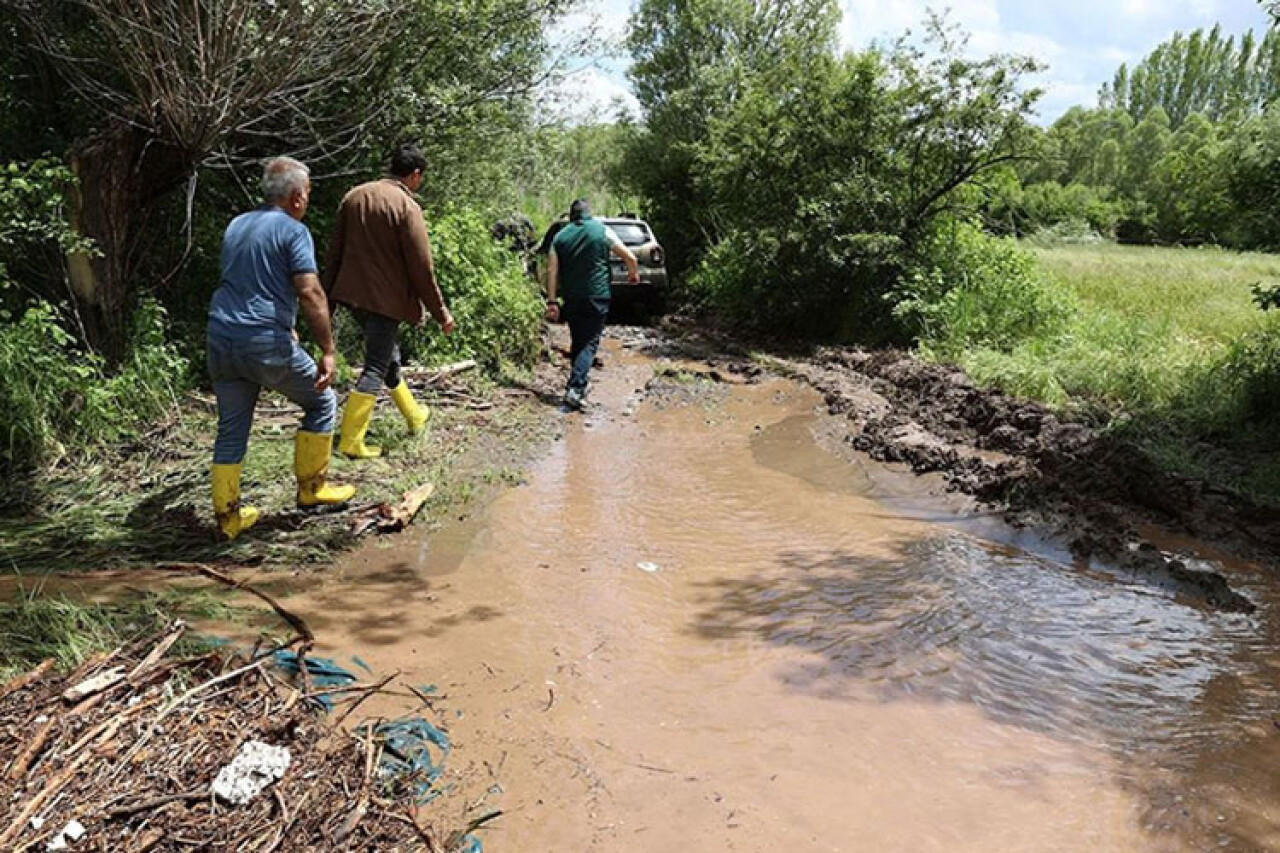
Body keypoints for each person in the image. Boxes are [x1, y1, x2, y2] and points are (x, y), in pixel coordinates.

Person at [206, 156, 354, 540]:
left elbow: (251, 281)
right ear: (294, 197)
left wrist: (285, 326)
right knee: (322, 401)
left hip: (220, 337)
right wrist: (328, 350)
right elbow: (309, 292)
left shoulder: (237, 225)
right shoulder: (293, 231)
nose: (306, 200)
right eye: (306, 193)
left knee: (232, 427)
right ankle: (312, 490)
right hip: (262, 342)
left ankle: (228, 518)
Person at [325, 144, 456, 459]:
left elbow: (335, 251)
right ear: (414, 175)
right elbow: (421, 268)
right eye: (420, 178)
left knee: (388, 357)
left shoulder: (354, 196)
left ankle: (414, 415)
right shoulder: (407, 207)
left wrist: (326, 298)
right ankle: (351, 441)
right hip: (385, 300)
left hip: (352, 296)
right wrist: (441, 313)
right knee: (375, 365)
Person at [545, 199, 639, 410]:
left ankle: (576, 387)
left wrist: (552, 301)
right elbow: (630, 258)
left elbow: (551, 271)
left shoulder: (559, 237)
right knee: (589, 343)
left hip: (572, 297)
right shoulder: (601, 231)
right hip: (597, 295)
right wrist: (632, 275)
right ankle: (575, 389)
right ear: (590, 213)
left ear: (571, 216)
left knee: (579, 341)